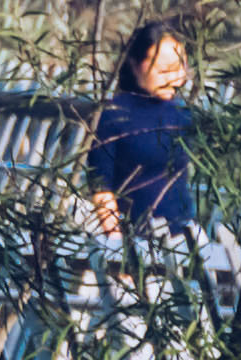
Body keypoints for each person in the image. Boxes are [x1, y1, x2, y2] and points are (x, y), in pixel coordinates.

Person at [84, 24, 196, 235]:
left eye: (179, 68)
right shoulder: (114, 115)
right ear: (135, 65)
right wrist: (117, 244)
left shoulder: (182, 114)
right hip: (135, 238)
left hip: (180, 237)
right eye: (163, 69)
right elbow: (101, 187)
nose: (173, 78)